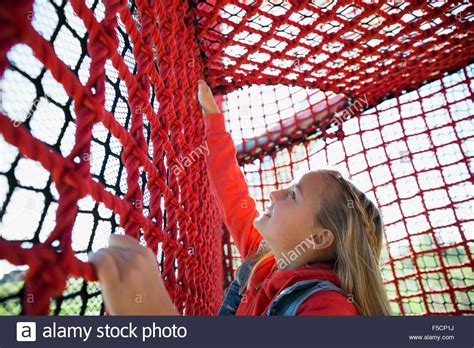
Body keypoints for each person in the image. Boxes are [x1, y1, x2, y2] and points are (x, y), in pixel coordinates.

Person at [88, 80, 392, 316]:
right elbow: (231, 189)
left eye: (293, 195)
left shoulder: (327, 307)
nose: (275, 193)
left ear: (320, 237)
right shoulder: (261, 255)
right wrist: (213, 119)